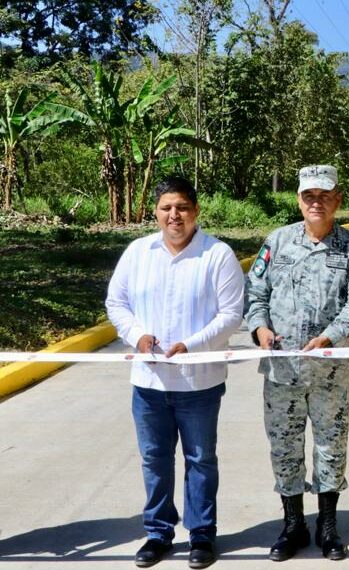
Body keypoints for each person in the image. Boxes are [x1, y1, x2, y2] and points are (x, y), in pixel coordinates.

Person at [106, 176, 244, 569]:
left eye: (182, 207)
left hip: (198, 381)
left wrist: (193, 344)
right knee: (154, 459)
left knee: (200, 459)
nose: (174, 215)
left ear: (195, 211)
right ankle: (158, 534)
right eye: (167, 208)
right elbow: (117, 303)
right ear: (156, 212)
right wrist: (136, 335)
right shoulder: (137, 252)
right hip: (148, 382)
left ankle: (201, 535)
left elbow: (231, 314)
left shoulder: (217, 255)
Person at [244, 165, 349, 562]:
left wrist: (330, 336)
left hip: (331, 371)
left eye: (324, 195)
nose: (316, 202)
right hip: (282, 372)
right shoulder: (277, 243)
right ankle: (293, 524)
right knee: (285, 446)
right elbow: (256, 294)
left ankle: (328, 526)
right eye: (308, 196)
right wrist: (260, 330)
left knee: (331, 446)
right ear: (299, 200)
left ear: (338, 199)